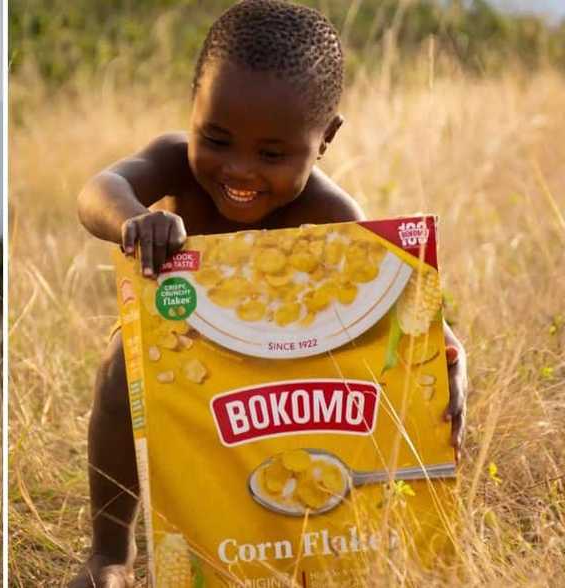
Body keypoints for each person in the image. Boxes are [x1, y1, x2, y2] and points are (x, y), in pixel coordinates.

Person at [70, 1, 468, 586]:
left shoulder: (332, 216)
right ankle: (110, 551)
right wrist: (134, 220)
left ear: (325, 139)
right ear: (193, 105)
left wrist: (452, 360)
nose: (239, 170)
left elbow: (407, 311)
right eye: (218, 138)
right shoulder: (175, 166)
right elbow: (98, 189)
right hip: (181, 359)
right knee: (116, 368)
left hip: (292, 379)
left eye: (273, 154)